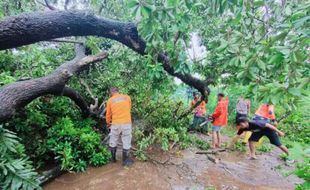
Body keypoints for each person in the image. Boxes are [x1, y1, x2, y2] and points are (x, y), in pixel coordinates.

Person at [106, 87, 133, 166]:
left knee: (113, 140)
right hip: (126, 123)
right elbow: (129, 109)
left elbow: (108, 115)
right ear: (118, 91)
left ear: (111, 92)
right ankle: (125, 161)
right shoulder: (127, 97)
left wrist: (108, 123)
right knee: (126, 140)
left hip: (115, 123)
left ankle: (113, 159)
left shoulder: (110, 100)